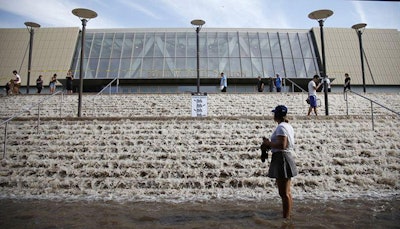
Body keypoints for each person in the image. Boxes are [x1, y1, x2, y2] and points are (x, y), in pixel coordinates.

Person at [261, 105, 297, 219]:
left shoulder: (281, 127)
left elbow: (282, 145)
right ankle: (288, 216)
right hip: (286, 157)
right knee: (287, 192)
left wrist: (268, 143)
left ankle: (286, 219)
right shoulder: (288, 126)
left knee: (283, 193)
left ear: (276, 115)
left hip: (282, 158)